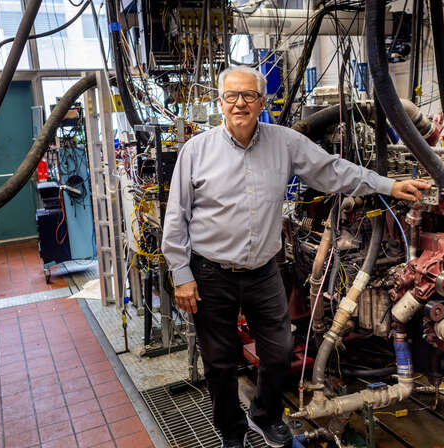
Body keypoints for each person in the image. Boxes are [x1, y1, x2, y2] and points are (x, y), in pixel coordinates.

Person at [162, 66, 430, 448]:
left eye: (249, 96)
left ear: (262, 101)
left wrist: (388, 184)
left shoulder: (285, 142)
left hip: (263, 271)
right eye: (232, 96)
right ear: (220, 102)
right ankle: (231, 433)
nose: (240, 103)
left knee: (280, 352)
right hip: (210, 273)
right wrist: (181, 273)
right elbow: (176, 217)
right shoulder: (196, 151)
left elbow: (333, 171)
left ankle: (263, 415)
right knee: (220, 363)